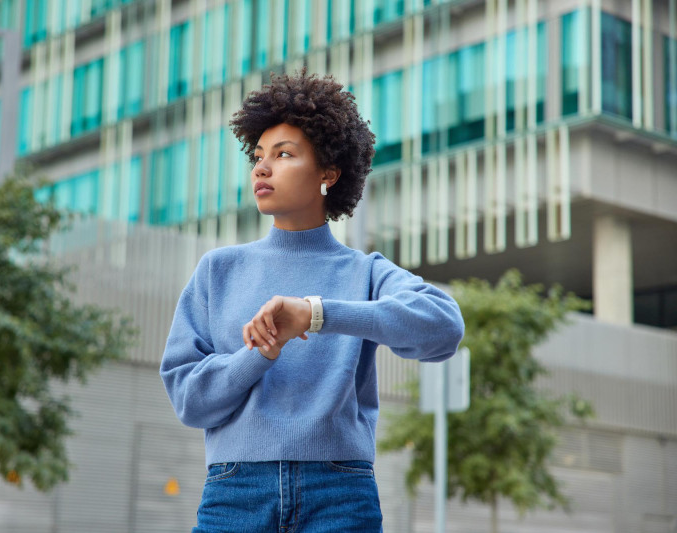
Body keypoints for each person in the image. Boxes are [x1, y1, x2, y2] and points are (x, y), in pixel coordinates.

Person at [160, 69, 464, 533]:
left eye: (283, 155)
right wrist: (258, 354)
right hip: (235, 493)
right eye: (258, 156)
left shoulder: (364, 272)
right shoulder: (217, 271)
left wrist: (317, 313)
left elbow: (443, 328)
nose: (262, 168)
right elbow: (190, 402)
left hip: (340, 494)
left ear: (329, 173)